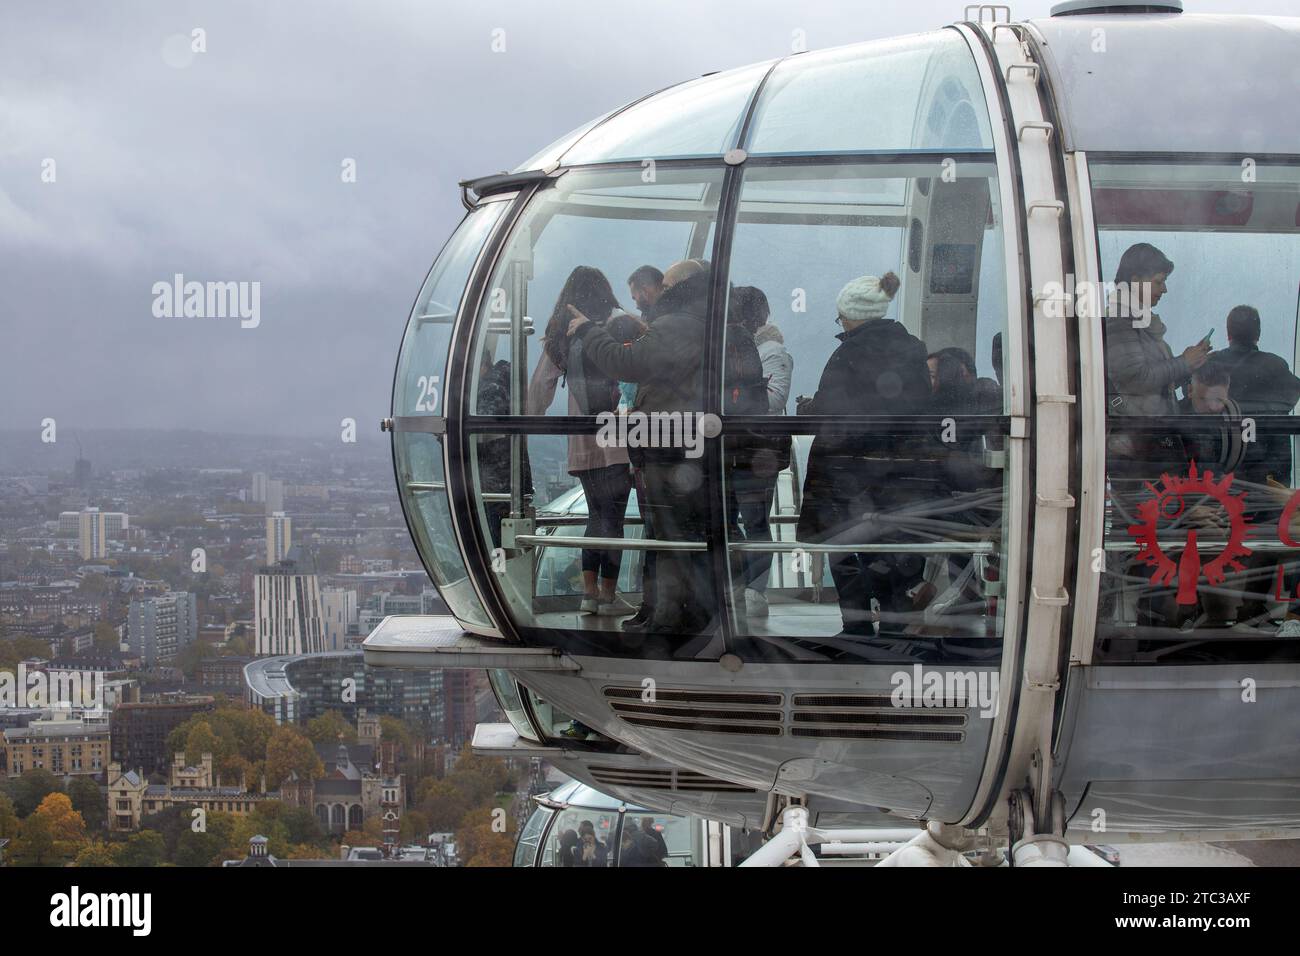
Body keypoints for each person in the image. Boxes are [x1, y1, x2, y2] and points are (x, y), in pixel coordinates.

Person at [568, 260, 717, 636]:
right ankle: (667, 611)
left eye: (666, 285)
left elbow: (628, 362)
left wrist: (587, 330)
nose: (656, 293)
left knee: (667, 532)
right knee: (670, 531)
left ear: (683, 288)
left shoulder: (679, 323)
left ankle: (669, 618)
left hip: (670, 446)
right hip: (682, 444)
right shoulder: (702, 322)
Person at [797, 271, 934, 643]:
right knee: (893, 548)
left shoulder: (850, 353)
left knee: (842, 546)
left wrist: (809, 409)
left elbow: (833, 411)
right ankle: (895, 626)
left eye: (841, 316)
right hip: (900, 474)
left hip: (846, 472)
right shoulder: (911, 349)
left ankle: (855, 627)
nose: (840, 323)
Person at [528, 266, 636, 616]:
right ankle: (609, 595)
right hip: (617, 431)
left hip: (582, 434)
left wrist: (529, 422)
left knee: (595, 514)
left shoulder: (562, 333)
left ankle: (588, 594)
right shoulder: (617, 324)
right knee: (614, 518)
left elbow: (541, 386)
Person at [1104, 242, 1210, 517]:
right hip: (1138, 448)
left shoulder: (1135, 321)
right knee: (1147, 521)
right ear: (1135, 280)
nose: (1164, 290)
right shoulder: (1121, 322)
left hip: (1146, 444)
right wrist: (1184, 363)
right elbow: (1135, 378)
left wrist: (1185, 365)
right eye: (1159, 282)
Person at [728, 286, 792, 619]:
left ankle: (755, 587)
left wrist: (739, 399)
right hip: (736, 448)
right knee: (728, 520)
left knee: (754, 521)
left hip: (756, 450)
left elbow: (777, 396)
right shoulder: (740, 348)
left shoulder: (770, 350)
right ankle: (744, 582)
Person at [1207, 305, 1300, 487]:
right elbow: (1291, 398)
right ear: (1258, 334)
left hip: (1222, 463)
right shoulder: (1275, 365)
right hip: (1270, 463)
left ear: (1228, 334)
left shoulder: (1212, 364)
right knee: (1272, 515)